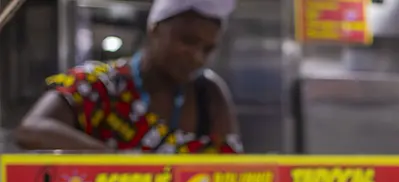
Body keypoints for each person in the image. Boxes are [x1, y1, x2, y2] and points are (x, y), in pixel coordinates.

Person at [15, 0, 241, 153]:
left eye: (208, 49)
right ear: (154, 29)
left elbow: (234, 168)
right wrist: (117, 163)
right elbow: (31, 130)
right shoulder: (101, 84)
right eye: (187, 41)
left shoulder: (208, 94)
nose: (197, 57)